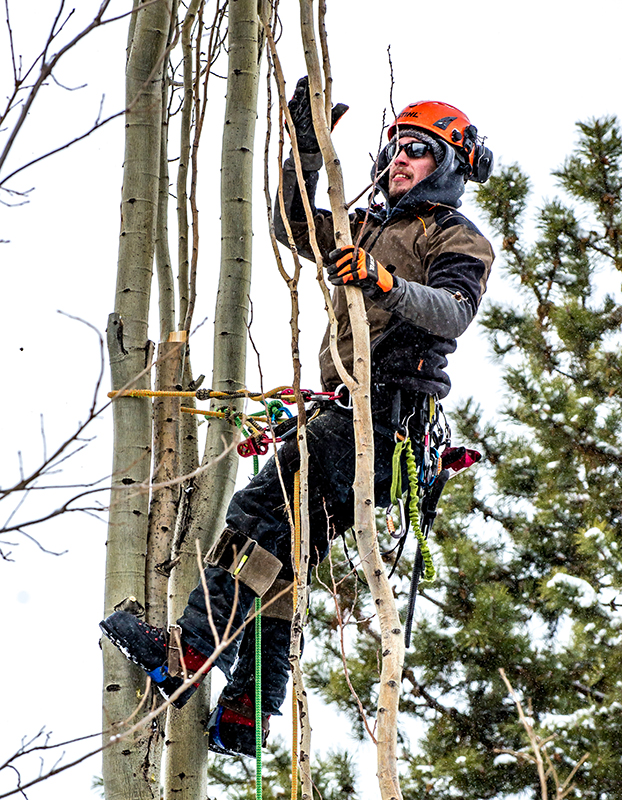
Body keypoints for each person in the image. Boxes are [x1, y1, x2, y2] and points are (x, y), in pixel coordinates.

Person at [100, 78, 495, 758]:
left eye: (418, 151)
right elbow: (290, 222)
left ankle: (189, 650)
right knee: (280, 560)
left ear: (450, 166)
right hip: (351, 415)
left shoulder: (457, 237)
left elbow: (454, 311)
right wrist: (304, 148)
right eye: (396, 147)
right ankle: (249, 708)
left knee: (255, 519)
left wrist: (385, 282)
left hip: (387, 419)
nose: (400, 159)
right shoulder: (365, 226)